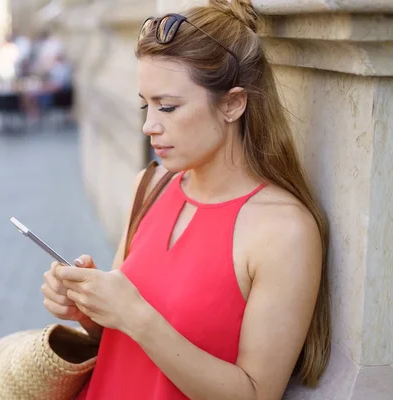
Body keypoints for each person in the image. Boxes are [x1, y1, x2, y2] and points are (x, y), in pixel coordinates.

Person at [40, 1, 331, 399]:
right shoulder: (150, 185)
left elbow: (255, 393)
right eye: (147, 104)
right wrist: (89, 310)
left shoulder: (284, 230)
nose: (148, 125)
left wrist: (136, 315)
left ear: (232, 104)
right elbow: (123, 339)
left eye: (169, 107)